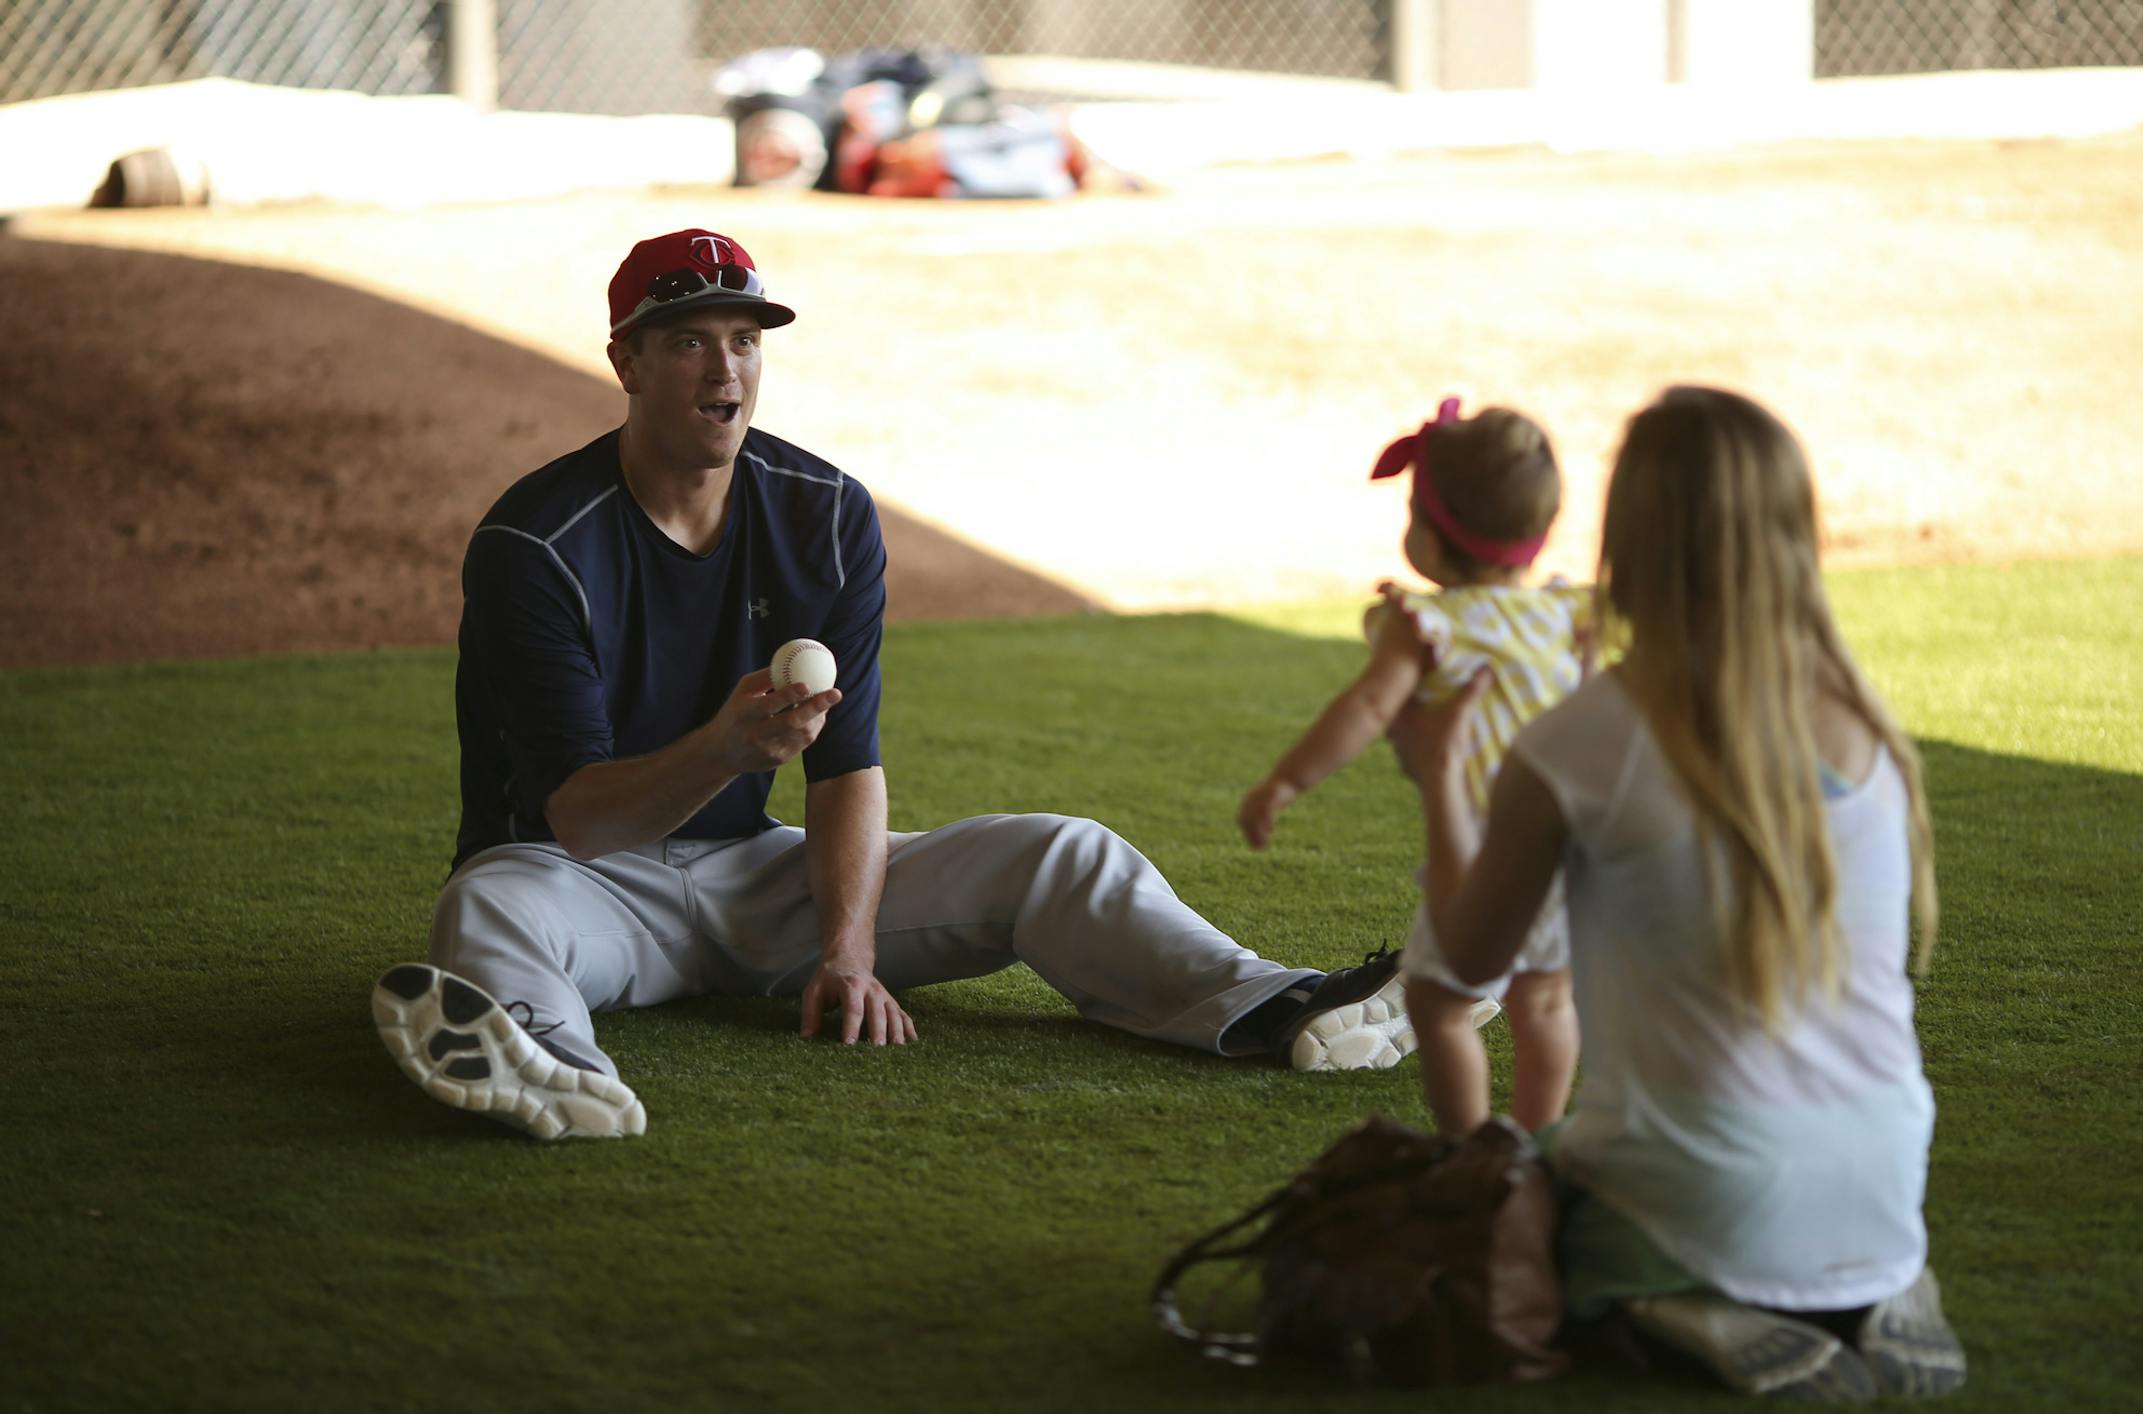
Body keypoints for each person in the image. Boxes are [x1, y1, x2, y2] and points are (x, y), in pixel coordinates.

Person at [369, 228, 1410, 1140]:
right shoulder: (537, 544)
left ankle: (1285, 1006)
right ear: (627, 362)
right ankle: (548, 1064)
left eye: (745, 339)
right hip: (577, 885)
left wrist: (848, 953)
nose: (722, 369)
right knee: (485, 908)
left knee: (1060, 851)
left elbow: (846, 764)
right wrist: (728, 749)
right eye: (688, 340)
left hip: (755, 876)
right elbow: (583, 821)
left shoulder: (823, 513)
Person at [1390, 386, 1964, 1399]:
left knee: (1526, 1186)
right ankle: (1874, 1288)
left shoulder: (1581, 740)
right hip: (1889, 1180)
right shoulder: (1867, 724)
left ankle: (1667, 1295)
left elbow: (1471, 958)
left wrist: (1437, 775)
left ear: (1629, 538)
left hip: (1705, 1196)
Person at [1237, 397, 1587, 1111]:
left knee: (1438, 1001)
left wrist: (1285, 781)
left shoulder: (1426, 625)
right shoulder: (1566, 613)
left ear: (1430, 534)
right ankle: (1533, 1139)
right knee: (1547, 1001)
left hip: (1478, 849)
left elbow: (1368, 708)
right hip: (1567, 842)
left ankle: (1467, 1146)